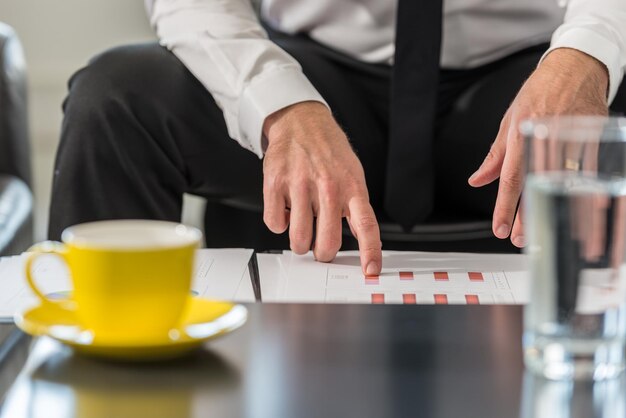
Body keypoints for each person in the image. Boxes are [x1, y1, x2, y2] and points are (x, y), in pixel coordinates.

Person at [48, 0, 626, 276]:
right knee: (115, 99)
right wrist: (281, 106)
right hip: (314, 69)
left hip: (538, 64)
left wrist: (585, 59)